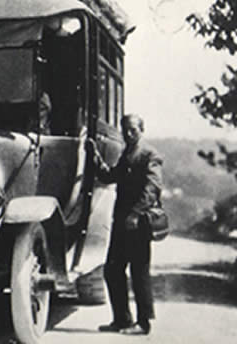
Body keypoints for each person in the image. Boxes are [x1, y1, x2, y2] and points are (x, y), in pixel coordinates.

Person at [86, 114, 163, 335]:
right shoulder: (127, 153)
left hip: (138, 224)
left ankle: (143, 323)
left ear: (142, 129)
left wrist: (136, 214)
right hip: (122, 222)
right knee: (112, 270)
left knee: (139, 272)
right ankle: (122, 319)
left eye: (133, 130)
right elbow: (111, 176)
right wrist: (96, 158)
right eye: (125, 130)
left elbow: (153, 189)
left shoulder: (150, 154)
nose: (128, 134)